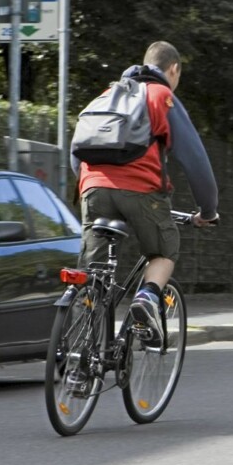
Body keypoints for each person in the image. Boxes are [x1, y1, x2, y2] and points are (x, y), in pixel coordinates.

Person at [71, 41, 219, 344]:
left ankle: (80, 354)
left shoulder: (106, 95)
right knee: (164, 250)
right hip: (141, 191)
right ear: (173, 69)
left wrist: (95, 185)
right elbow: (195, 161)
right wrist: (208, 210)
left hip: (93, 189)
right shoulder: (162, 96)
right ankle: (147, 300)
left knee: (93, 274)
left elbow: (76, 152)